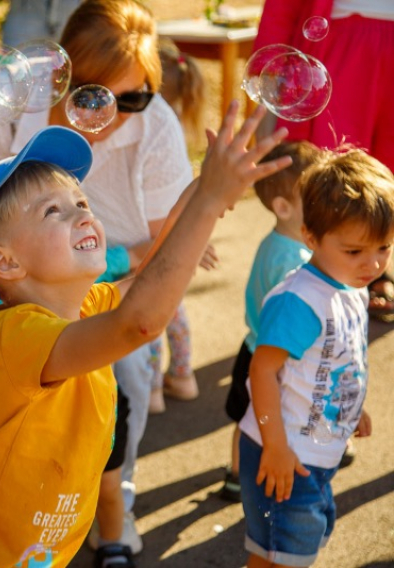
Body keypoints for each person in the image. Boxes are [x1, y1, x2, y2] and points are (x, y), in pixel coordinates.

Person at [0, 102, 291, 565]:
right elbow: (140, 321)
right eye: (53, 210)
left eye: (82, 202)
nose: (82, 216)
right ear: (6, 263)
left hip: (36, 550)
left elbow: (153, 270)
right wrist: (209, 199)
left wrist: (203, 194)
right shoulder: (20, 334)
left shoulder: (83, 307)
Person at [0, 3, 196, 554]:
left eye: (138, 97)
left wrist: (198, 206)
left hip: (87, 279)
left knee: (112, 393)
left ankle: (101, 501)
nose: (126, 112)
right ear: (65, 78)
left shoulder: (155, 126)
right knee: (52, 386)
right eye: (106, 95)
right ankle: (0, 475)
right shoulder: (10, 101)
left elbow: (156, 260)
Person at [239, 148, 394, 568]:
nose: (373, 263)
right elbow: (262, 371)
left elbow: (337, 355)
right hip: (284, 453)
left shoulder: (351, 286)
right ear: (310, 236)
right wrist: (275, 446)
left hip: (315, 451)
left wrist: (349, 407)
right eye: (354, 251)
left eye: (384, 247)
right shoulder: (298, 301)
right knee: (277, 556)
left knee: (295, 547)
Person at [254, 0, 394, 323]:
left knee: (388, 169)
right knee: (333, 175)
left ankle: (376, 266)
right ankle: (320, 275)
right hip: (343, 40)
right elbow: (281, 8)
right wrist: (269, 74)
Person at [218, 141, 317, 503]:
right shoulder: (294, 261)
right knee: (260, 416)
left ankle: (233, 474)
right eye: (316, 199)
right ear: (283, 207)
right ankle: (248, 472)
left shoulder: (275, 243)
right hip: (270, 357)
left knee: (243, 417)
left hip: (252, 345)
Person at [147, 39, 210, 414]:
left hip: (155, 237)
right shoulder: (181, 127)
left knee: (148, 313)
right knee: (173, 308)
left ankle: (152, 388)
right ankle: (184, 376)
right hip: (182, 236)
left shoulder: (154, 128)